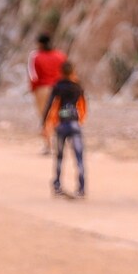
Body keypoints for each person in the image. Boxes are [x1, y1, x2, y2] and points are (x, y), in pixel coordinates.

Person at [46, 59, 88, 198]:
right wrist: (80, 120)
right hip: (74, 124)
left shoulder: (58, 86)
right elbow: (83, 106)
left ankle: (57, 185)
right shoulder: (78, 87)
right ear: (73, 72)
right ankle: (81, 188)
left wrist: (46, 123)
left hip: (61, 124)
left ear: (61, 72)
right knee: (79, 157)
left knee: (59, 156)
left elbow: (50, 105)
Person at [28, 32, 66, 152]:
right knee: (58, 115)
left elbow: (33, 76)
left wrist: (33, 90)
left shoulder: (35, 56)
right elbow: (66, 72)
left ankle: (48, 145)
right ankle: (60, 143)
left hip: (43, 88)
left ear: (40, 43)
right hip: (60, 87)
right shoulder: (60, 55)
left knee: (45, 116)